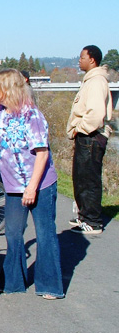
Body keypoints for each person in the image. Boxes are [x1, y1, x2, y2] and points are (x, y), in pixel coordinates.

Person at [0, 68, 64, 300]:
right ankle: (14, 281)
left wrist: (32, 188)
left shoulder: (33, 116)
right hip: (12, 187)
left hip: (41, 184)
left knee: (45, 233)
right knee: (13, 233)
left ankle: (49, 285)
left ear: (8, 88)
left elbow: (42, 154)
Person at [67, 45, 113, 235]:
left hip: (91, 137)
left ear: (92, 59)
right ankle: (84, 215)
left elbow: (95, 114)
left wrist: (79, 129)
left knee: (89, 179)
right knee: (81, 177)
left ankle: (92, 221)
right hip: (86, 137)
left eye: (82, 57)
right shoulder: (90, 80)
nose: (79, 60)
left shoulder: (96, 82)